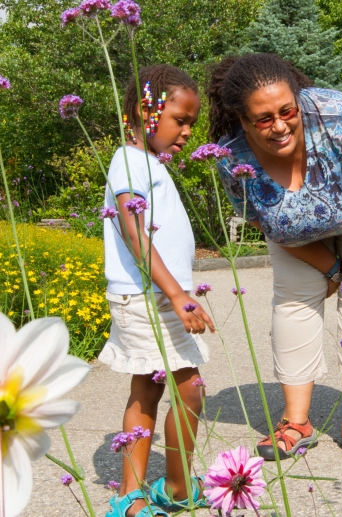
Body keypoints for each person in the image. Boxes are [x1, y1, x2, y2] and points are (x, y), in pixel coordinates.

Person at [207, 53, 342, 462]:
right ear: (242, 119)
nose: (280, 125)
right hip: (298, 234)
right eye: (264, 119)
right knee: (293, 300)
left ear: (298, 99)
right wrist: (327, 266)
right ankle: (296, 422)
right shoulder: (232, 158)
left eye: (286, 111)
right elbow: (265, 223)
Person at [99, 64, 215, 517]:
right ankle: (145, 493)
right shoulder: (128, 159)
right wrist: (178, 294)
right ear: (144, 111)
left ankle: (162, 488)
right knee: (176, 390)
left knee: (167, 391)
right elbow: (134, 232)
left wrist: (179, 292)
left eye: (191, 123)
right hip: (145, 298)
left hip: (160, 296)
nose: (186, 132)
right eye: (180, 120)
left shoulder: (146, 162)